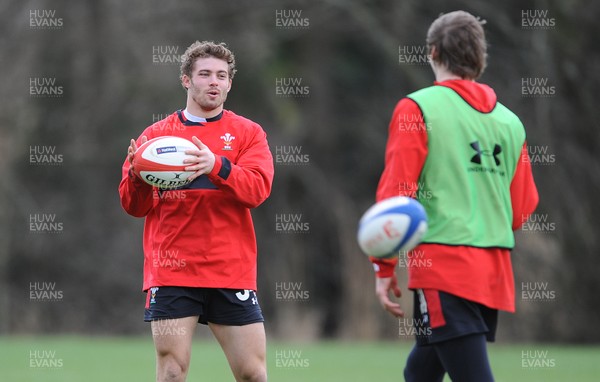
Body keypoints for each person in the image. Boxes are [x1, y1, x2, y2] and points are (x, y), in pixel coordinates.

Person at [371, 11, 539, 382]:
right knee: (421, 371)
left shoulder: (417, 108)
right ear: (481, 58)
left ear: (432, 53)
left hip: (443, 269)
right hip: (493, 271)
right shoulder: (510, 122)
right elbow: (522, 208)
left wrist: (383, 266)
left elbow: (396, 196)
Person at [119, 41, 274, 382]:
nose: (213, 82)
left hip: (229, 268)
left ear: (230, 83)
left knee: (252, 373)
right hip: (173, 270)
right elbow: (133, 206)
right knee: (172, 371)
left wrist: (215, 165)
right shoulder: (155, 137)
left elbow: (258, 190)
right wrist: (136, 175)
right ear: (186, 80)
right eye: (204, 74)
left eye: (221, 75)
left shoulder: (249, 133)